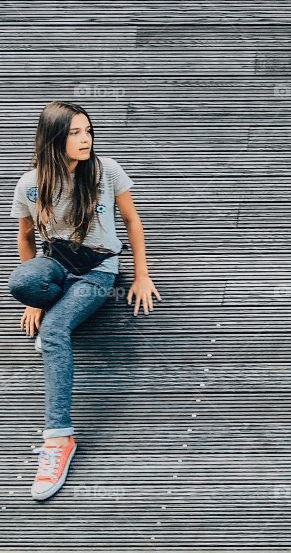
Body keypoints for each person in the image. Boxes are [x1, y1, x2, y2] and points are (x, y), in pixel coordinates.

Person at [7, 100, 161, 500]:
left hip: (98, 271)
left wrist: (141, 276)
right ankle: (52, 308)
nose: (85, 139)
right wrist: (34, 301)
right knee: (21, 283)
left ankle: (59, 440)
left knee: (56, 332)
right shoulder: (30, 184)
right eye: (74, 133)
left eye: (88, 131)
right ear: (54, 138)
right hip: (56, 263)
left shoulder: (106, 171)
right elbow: (25, 239)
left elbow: (132, 221)